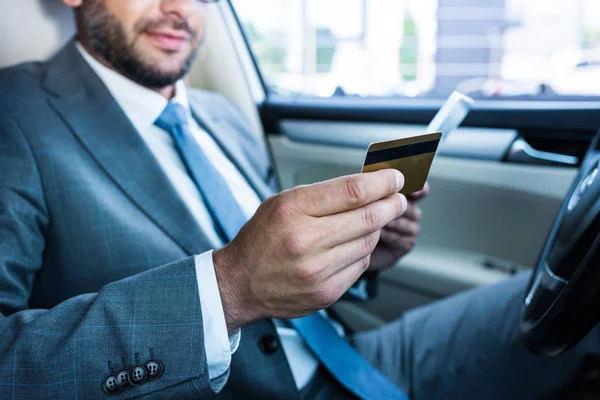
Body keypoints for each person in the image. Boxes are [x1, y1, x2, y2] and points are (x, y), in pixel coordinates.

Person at [0, 0, 598, 399]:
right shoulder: (16, 113)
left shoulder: (220, 116)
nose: (181, 9)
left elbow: (283, 269)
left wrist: (360, 257)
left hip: (353, 356)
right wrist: (230, 288)